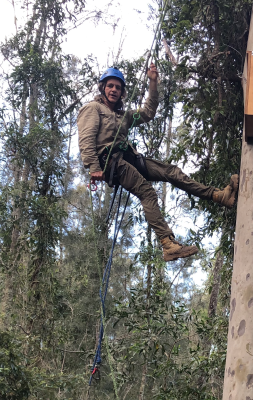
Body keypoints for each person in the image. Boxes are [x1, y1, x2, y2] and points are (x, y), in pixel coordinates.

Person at [77, 65, 238, 262]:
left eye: (118, 88)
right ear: (103, 88)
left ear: (122, 92)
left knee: (171, 172)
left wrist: (153, 82)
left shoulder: (124, 116)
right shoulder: (92, 109)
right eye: (110, 86)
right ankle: (168, 244)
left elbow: (148, 112)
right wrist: (93, 168)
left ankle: (219, 196)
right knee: (147, 192)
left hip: (129, 158)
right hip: (109, 162)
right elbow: (86, 139)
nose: (114, 90)